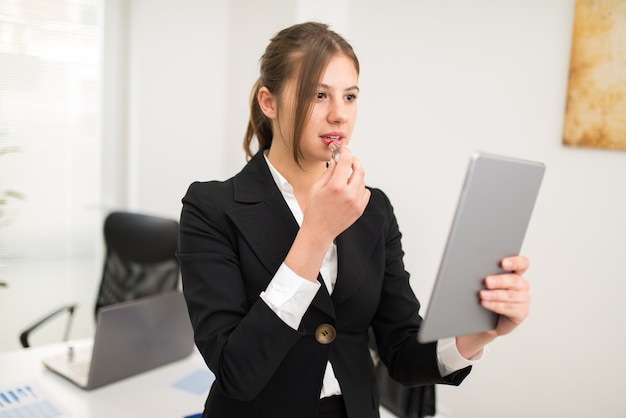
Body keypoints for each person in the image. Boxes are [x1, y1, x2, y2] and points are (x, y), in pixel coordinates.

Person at [178, 22, 531, 418]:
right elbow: (236, 371)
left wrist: (482, 330)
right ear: (269, 102)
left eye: (349, 96)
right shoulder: (210, 207)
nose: (339, 115)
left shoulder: (373, 208)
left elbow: (400, 350)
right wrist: (316, 233)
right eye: (318, 95)